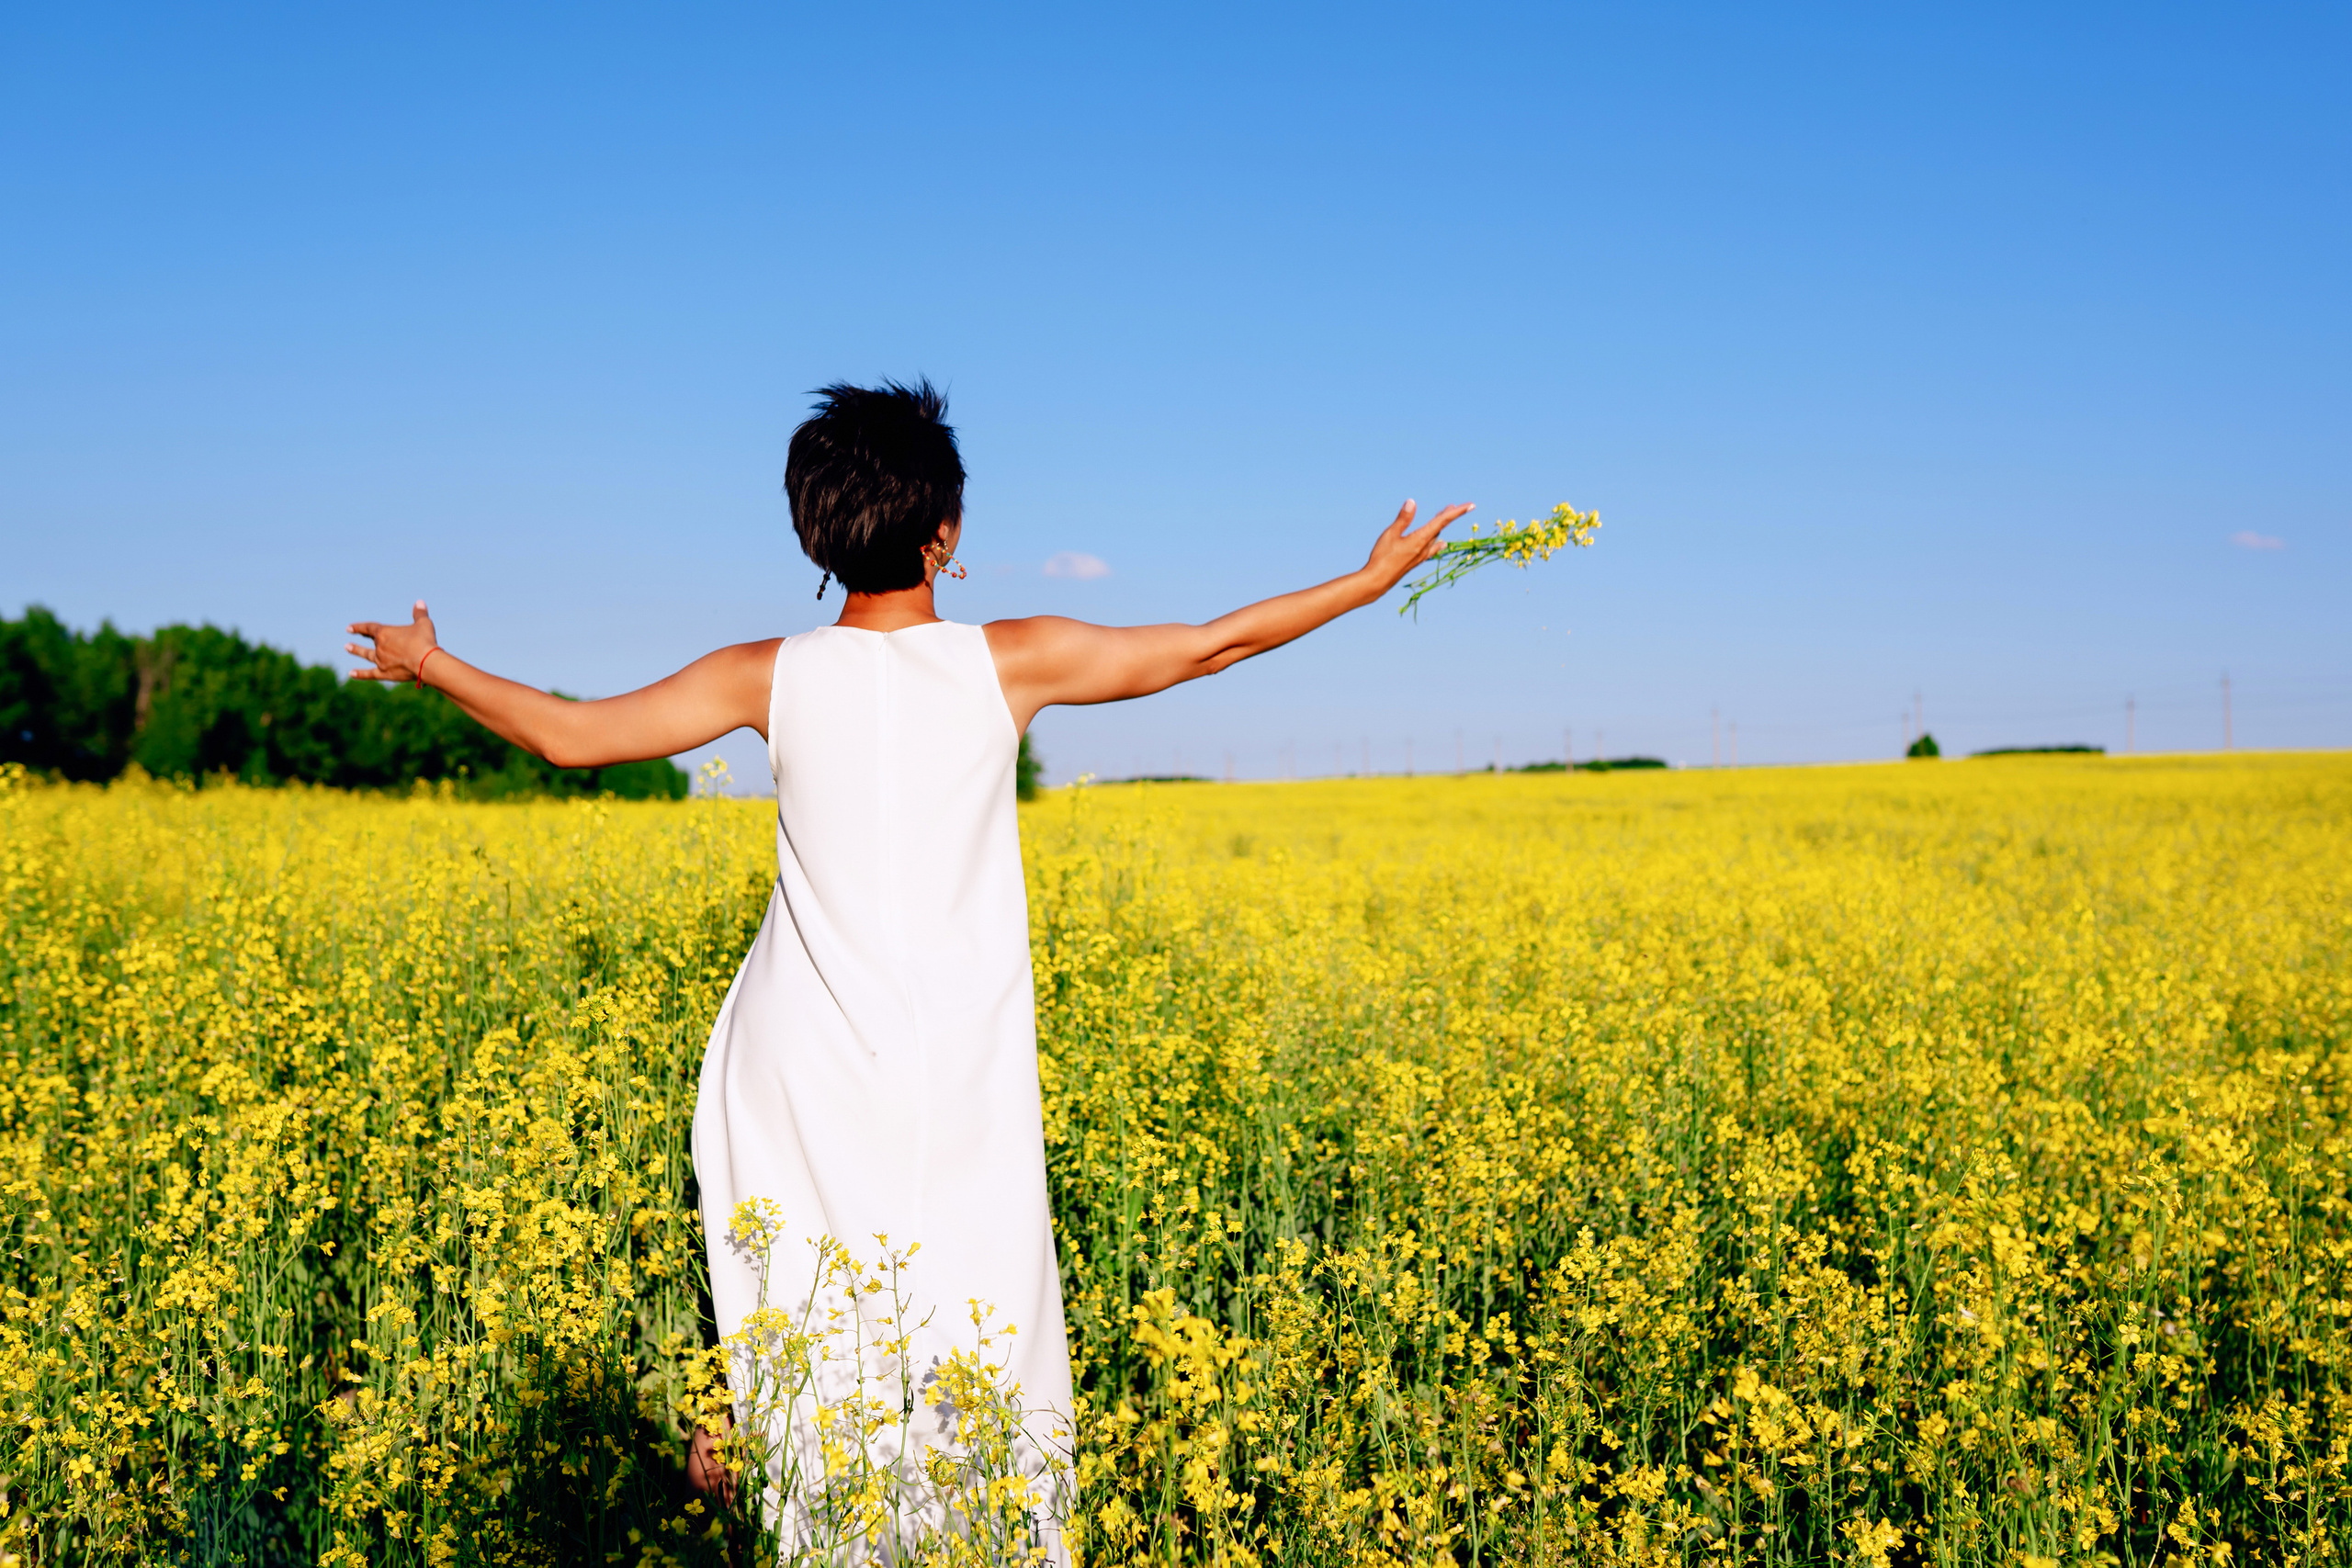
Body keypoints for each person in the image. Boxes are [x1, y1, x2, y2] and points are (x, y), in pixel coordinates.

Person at [346, 379, 1468, 1557]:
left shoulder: (762, 673)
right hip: (953, 1064)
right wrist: (1367, 580)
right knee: (981, 1343)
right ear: (946, 532)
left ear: (815, 536)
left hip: (803, 1062)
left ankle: (771, 1475)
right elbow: (1208, 648)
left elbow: (571, 737)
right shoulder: (1011, 659)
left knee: (805, 1326)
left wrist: (434, 665)